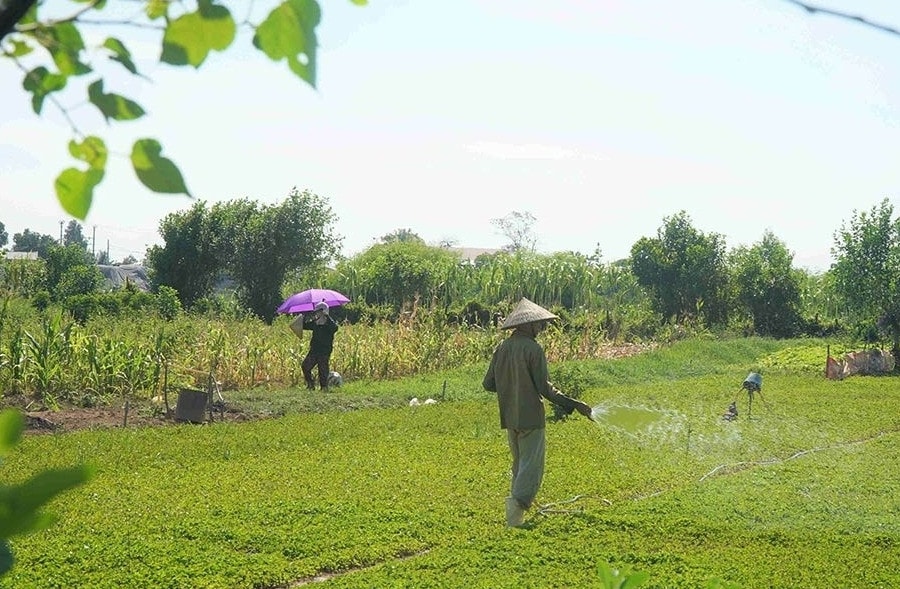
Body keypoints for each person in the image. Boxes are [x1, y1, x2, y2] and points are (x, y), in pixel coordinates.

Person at [482, 297, 594, 528]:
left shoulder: (502, 347)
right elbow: (544, 387)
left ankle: (515, 514)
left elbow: (488, 384)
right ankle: (515, 516)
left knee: (519, 465)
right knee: (530, 468)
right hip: (531, 416)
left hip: (509, 417)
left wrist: (510, 385)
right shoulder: (533, 349)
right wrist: (573, 403)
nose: (542, 328)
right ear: (527, 325)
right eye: (539, 324)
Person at [301, 301, 339, 390]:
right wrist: (304, 316)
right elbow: (304, 325)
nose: (316, 313)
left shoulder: (329, 323)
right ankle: (310, 385)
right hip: (314, 349)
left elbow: (335, 328)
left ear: (323, 311)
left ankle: (324, 387)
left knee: (323, 370)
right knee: (305, 366)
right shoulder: (316, 323)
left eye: (318, 311)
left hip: (324, 350)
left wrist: (327, 316)